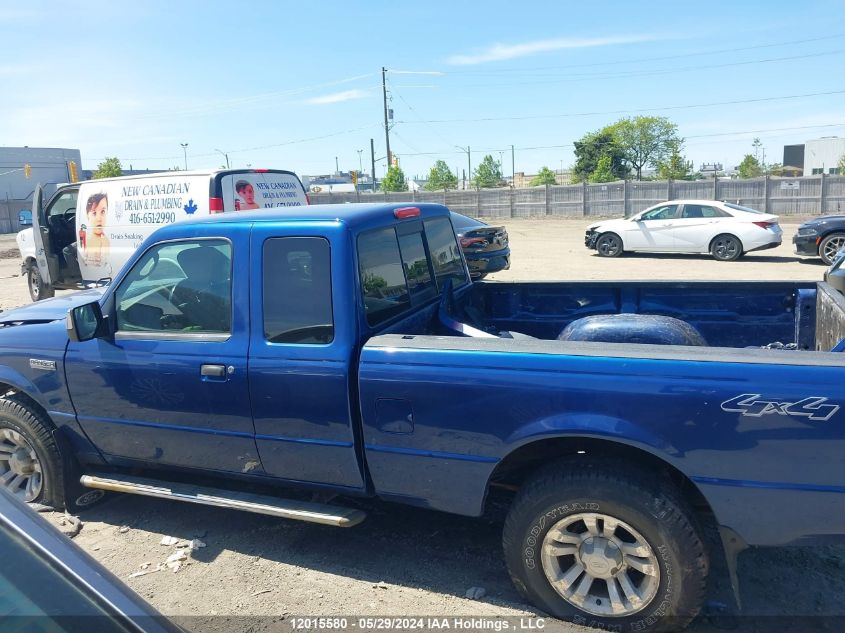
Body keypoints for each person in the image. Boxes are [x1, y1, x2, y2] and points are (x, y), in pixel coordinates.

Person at [80, 193, 111, 269]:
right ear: (87, 215)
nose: (99, 218)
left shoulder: (105, 241)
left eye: (103, 212)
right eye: (94, 213)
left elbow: (104, 265)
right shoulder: (86, 237)